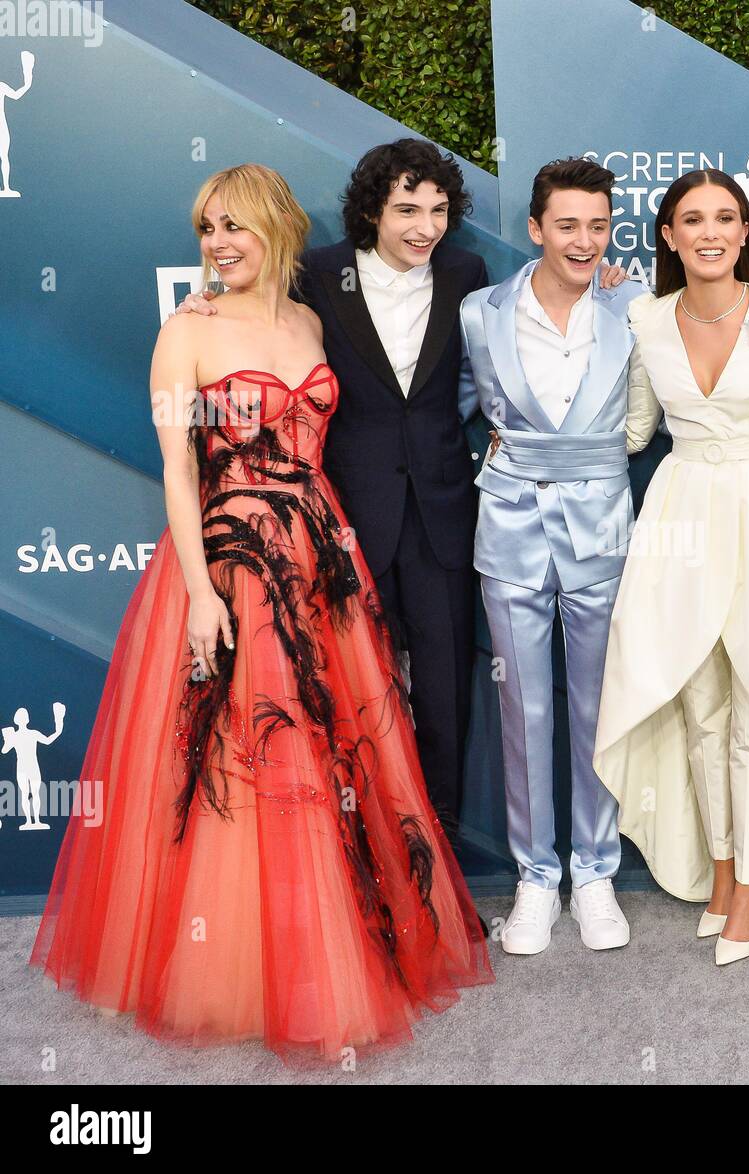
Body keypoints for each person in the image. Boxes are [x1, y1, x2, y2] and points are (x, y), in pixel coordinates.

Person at [30, 164, 492, 1061]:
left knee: (337, 747)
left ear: (278, 231)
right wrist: (200, 593)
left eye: (236, 228)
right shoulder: (185, 332)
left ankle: (333, 942)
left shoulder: (310, 318)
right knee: (244, 757)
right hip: (233, 562)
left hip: (323, 555)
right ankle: (239, 965)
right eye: (208, 230)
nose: (219, 246)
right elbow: (175, 470)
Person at [178, 139, 487, 846]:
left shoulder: (468, 272)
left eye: (439, 211)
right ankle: (361, 866)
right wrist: (202, 300)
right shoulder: (318, 277)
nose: (425, 226)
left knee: (442, 699)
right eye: (408, 208)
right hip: (340, 520)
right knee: (351, 701)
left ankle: (431, 867)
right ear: (373, 209)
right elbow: (252, 312)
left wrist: (612, 282)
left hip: (441, 514)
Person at [593, 168, 749, 966]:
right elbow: (634, 432)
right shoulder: (641, 317)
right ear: (667, 236)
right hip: (679, 515)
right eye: (692, 219)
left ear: (746, 233)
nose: (711, 231)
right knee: (701, 704)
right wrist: (530, 445)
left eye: (726, 218)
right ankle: (724, 866)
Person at [458, 158, 643, 955]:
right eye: (567, 225)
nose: (584, 241)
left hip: (602, 525)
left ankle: (595, 872)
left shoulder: (637, 307)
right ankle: (537, 878)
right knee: (523, 706)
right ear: (535, 228)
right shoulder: (478, 312)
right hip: (510, 523)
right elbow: (447, 409)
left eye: (597, 226)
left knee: (599, 702)